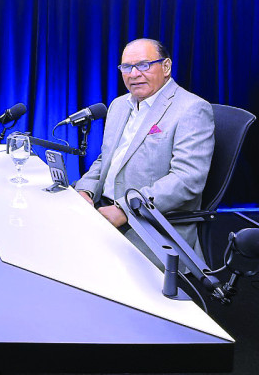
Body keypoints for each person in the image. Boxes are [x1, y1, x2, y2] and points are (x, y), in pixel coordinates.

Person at [74, 38, 215, 252]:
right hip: (102, 209)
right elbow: (107, 159)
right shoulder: (119, 105)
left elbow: (187, 179)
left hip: (151, 225)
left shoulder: (192, 109)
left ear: (166, 66)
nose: (134, 74)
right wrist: (86, 190)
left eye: (143, 65)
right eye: (126, 67)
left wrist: (125, 210)